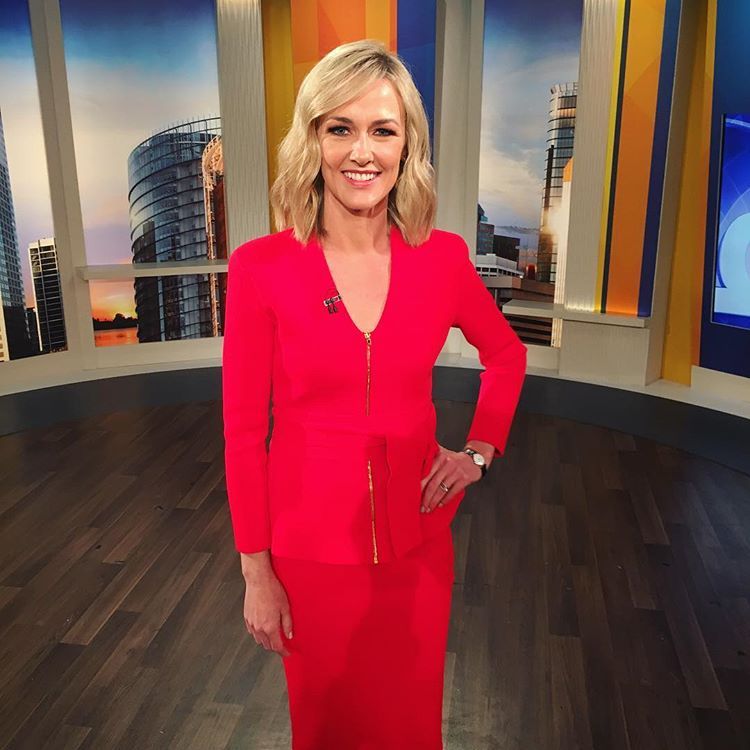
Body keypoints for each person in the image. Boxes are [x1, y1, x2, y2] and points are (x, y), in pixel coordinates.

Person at [222, 39, 527, 750]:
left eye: (383, 130)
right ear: (314, 141)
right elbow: (243, 432)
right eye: (341, 128)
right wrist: (256, 572)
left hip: (417, 548)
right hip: (307, 556)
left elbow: (507, 355)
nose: (362, 152)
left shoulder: (442, 257)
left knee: (411, 727)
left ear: (406, 145)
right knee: (326, 729)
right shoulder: (262, 268)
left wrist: (479, 452)